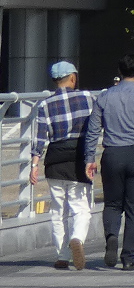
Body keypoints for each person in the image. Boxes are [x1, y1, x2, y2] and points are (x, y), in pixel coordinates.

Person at [82, 52, 134, 270]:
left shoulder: (104, 97)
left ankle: (111, 237)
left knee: (112, 203)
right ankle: (129, 257)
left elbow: (92, 130)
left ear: (119, 72)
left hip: (112, 153)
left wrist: (89, 158)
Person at [28, 59, 95, 270]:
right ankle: (77, 238)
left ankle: (62, 256)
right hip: (78, 159)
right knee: (80, 207)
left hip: (54, 161)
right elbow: (95, 128)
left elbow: (40, 138)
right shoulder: (87, 98)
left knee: (58, 211)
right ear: (73, 78)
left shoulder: (45, 105)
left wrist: (34, 165)